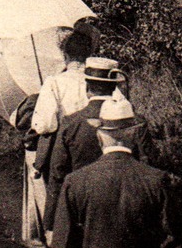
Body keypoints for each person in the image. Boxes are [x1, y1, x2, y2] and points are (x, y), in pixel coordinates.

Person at [44, 97, 182, 248]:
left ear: (99, 135)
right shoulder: (157, 181)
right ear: (132, 135)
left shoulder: (75, 182)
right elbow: (174, 243)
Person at [22, 24, 95, 247]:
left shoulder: (55, 82)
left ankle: (48, 234)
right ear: (88, 55)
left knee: (41, 169)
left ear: (65, 56)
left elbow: (44, 124)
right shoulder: (100, 81)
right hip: (97, 145)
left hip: (66, 148)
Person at [43, 56, 126, 236]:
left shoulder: (70, 123)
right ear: (114, 87)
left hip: (83, 211)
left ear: (87, 89)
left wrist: (50, 224)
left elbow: (58, 174)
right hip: (124, 208)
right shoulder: (134, 122)